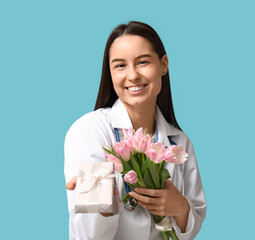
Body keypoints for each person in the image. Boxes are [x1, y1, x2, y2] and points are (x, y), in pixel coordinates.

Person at [64, 21, 206, 240]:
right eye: (120, 66)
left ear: (164, 65)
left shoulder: (179, 141)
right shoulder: (90, 131)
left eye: (142, 62)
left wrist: (180, 207)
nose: (132, 76)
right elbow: (88, 237)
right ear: (110, 74)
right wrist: (104, 203)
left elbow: (193, 225)